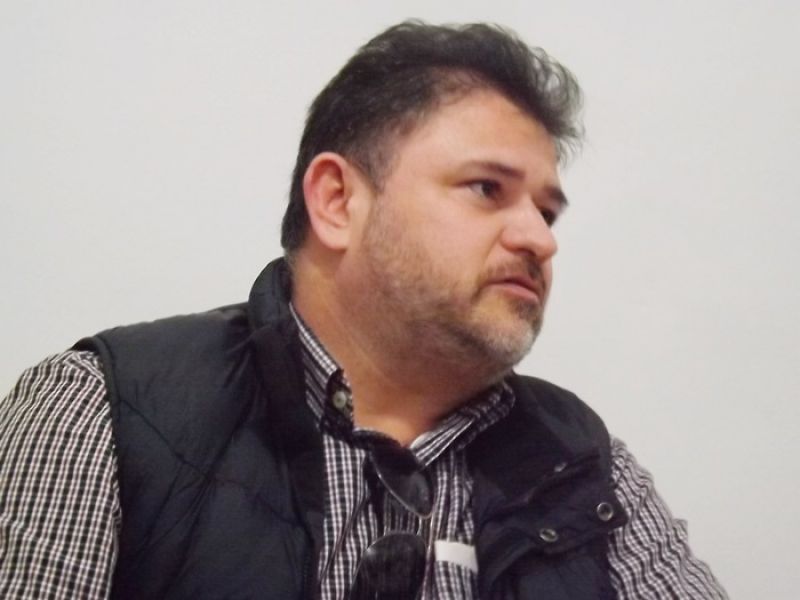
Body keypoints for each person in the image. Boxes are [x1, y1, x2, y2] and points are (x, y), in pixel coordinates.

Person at [0, 21, 726, 600]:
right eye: (487, 189)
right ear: (338, 201)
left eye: (546, 211)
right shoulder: (102, 411)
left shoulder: (582, 464)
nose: (539, 238)